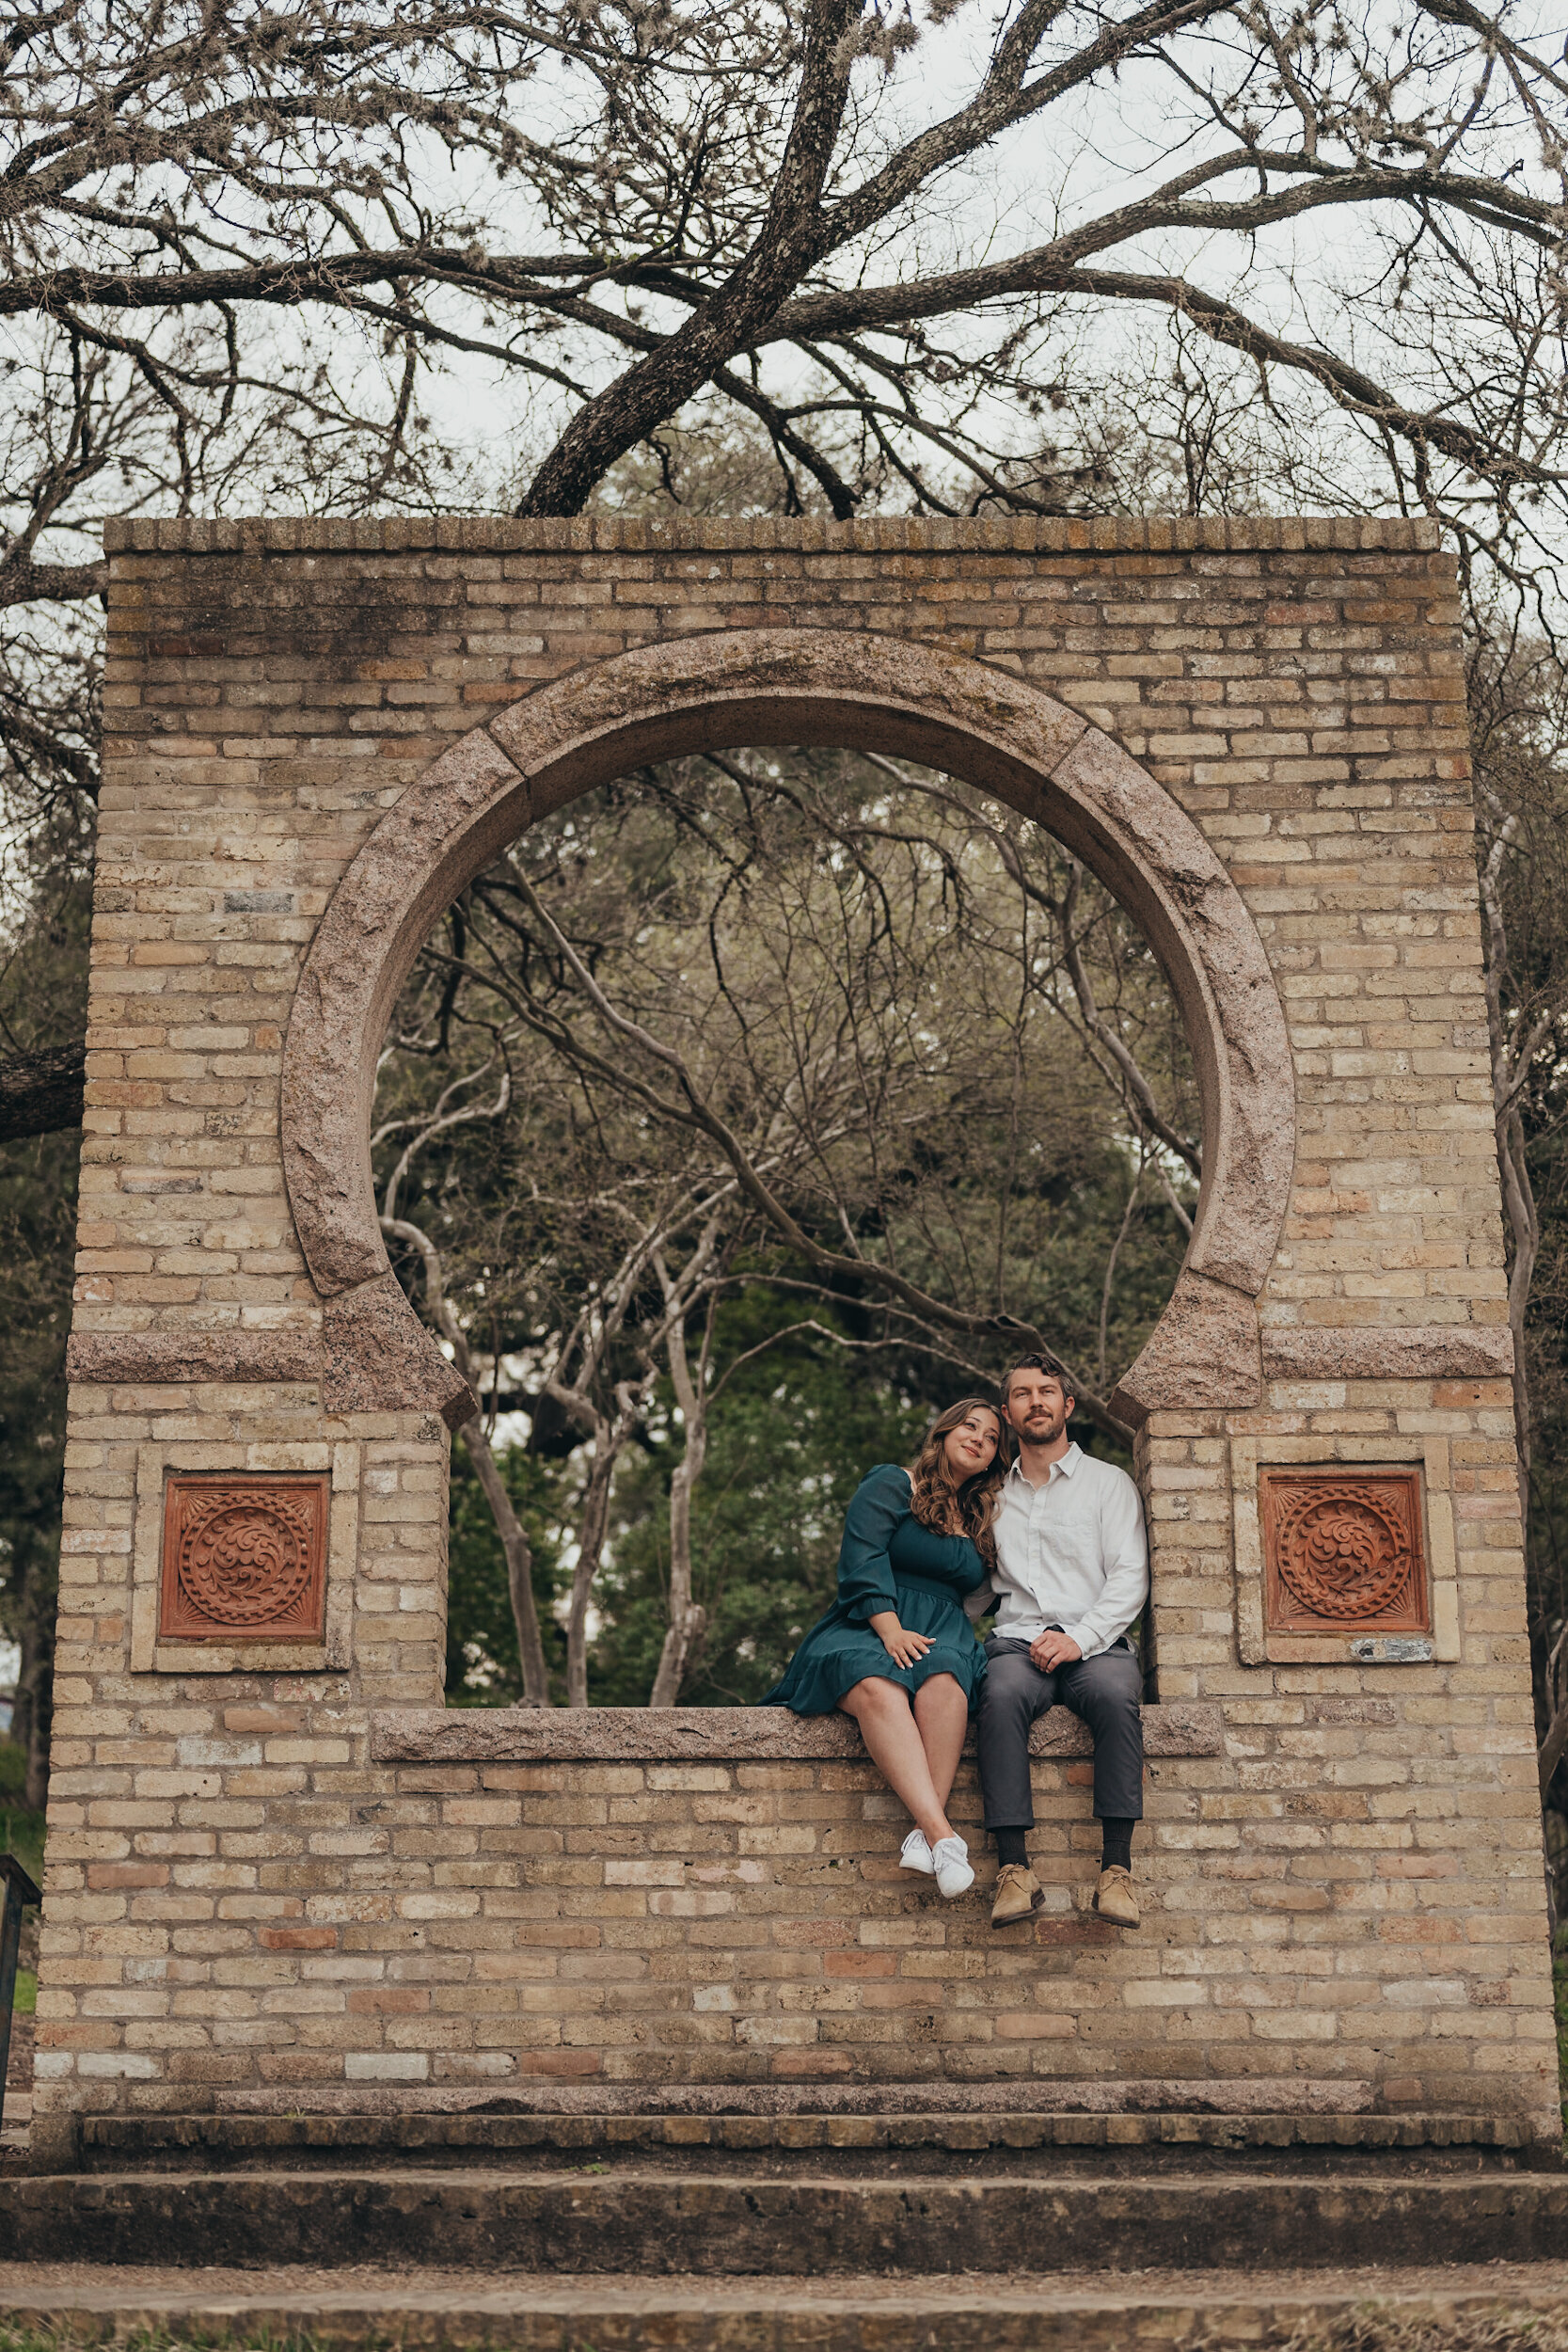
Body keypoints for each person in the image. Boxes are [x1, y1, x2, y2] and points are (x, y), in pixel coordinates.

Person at [764, 1400, 1004, 1899]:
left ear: (992, 1460)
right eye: (970, 1425)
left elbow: (983, 1594)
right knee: (876, 1685)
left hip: (944, 1629)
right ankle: (942, 1836)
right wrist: (890, 1629)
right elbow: (862, 1556)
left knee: (945, 1685)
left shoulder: (981, 1516)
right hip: (870, 1621)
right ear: (944, 1430)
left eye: (992, 1437)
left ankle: (924, 1836)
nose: (979, 1438)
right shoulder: (893, 1483)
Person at [966, 1356, 1148, 1931]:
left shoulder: (1108, 1484)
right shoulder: (991, 1495)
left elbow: (1129, 1577)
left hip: (1095, 1642)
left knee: (1119, 1699)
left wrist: (1079, 1637)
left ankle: (1116, 1872)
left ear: (1068, 1406)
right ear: (1007, 1412)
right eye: (1022, 1394)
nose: (1036, 1402)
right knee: (997, 1698)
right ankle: (1014, 1871)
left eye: (1048, 1392)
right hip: (1018, 1642)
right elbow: (973, 1588)